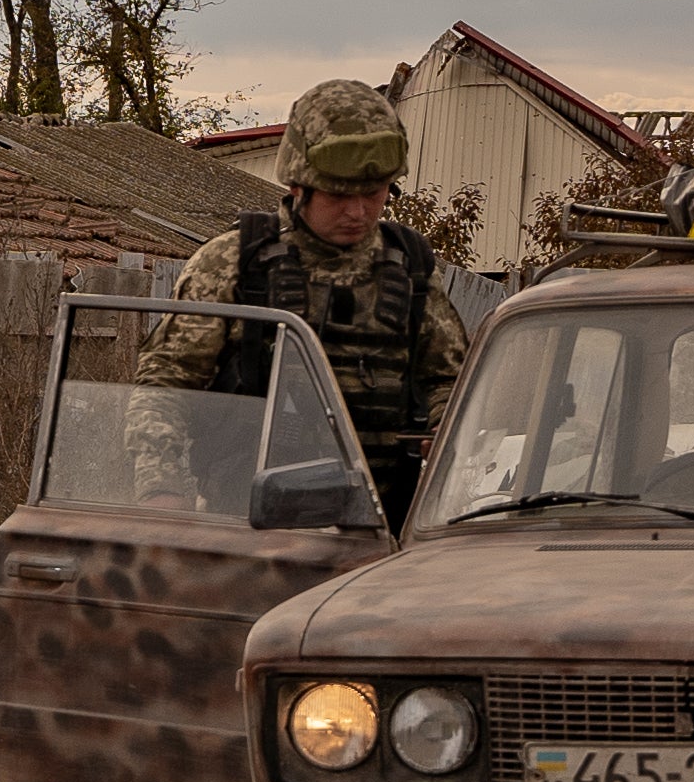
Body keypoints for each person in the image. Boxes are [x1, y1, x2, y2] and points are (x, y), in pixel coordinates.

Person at [145, 118, 469, 515]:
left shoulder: (410, 267)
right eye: (339, 195)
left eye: (373, 193)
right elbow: (164, 383)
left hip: (381, 526)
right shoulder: (233, 262)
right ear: (298, 186)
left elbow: (450, 380)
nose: (358, 211)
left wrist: (445, 425)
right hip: (247, 523)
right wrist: (160, 489)